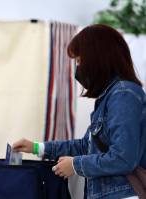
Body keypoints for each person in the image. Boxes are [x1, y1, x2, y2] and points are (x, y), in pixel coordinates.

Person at [13, 24, 146, 199]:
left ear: (97, 58)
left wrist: (76, 165)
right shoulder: (110, 97)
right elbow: (85, 146)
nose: (77, 67)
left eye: (79, 60)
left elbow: (123, 158)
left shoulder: (123, 94)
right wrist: (38, 147)